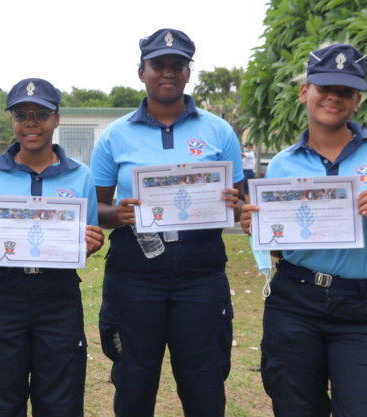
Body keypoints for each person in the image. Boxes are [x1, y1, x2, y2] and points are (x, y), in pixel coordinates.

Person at [240, 44, 367, 417]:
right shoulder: (283, 164)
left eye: (345, 91)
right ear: (304, 92)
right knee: (296, 408)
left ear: (357, 101)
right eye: (324, 87)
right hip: (294, 302)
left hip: (361, 308)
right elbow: (282, 248)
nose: (334, 97)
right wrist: (259, 229)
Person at [89, 29, 245, 416]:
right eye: (158, 64)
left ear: (189, 73)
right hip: (135, 268)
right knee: (134, 380)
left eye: (178, 65)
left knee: (204, 381)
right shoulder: (115, 136)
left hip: (201, 267)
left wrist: (234, 201)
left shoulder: (218, 131)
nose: (168, 72)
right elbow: (95, 208)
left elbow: (242, 201)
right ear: (141, 71)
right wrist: (119, 214)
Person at [0, 78, 105, 416]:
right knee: (0, 396)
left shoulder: (81, 175)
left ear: (56, 118)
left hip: (59, 294)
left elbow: (85, 237)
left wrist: (90, 244)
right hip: (4, 291)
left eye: (41, 114)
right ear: (12, 120)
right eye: (21, 114)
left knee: (61, 398)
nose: (30, 123)